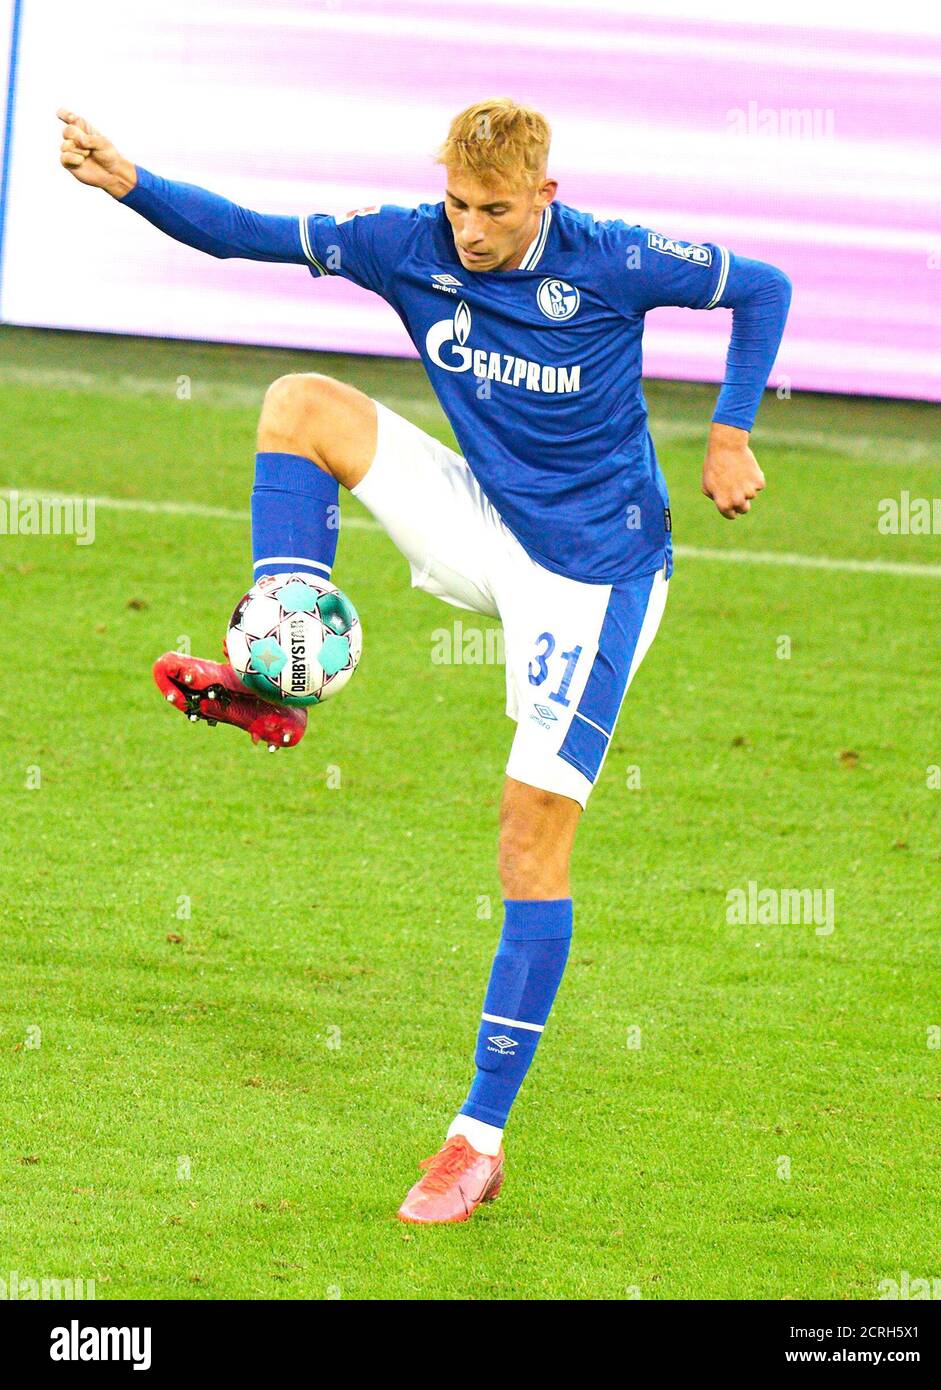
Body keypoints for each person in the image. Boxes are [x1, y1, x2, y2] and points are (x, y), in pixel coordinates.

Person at [58, 97, 791, 1224]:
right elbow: (244, 232)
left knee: (526, 838)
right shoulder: (410, 241)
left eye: (493, 210)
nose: (469, 230)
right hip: (486, 518)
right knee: (300, 404)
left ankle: (476, 1137)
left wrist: (730, 430)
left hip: (594, 583)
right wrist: (130, 181)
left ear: (544, 194)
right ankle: (279, 659)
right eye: (457, 202)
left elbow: (764, 287)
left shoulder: (615, 259)